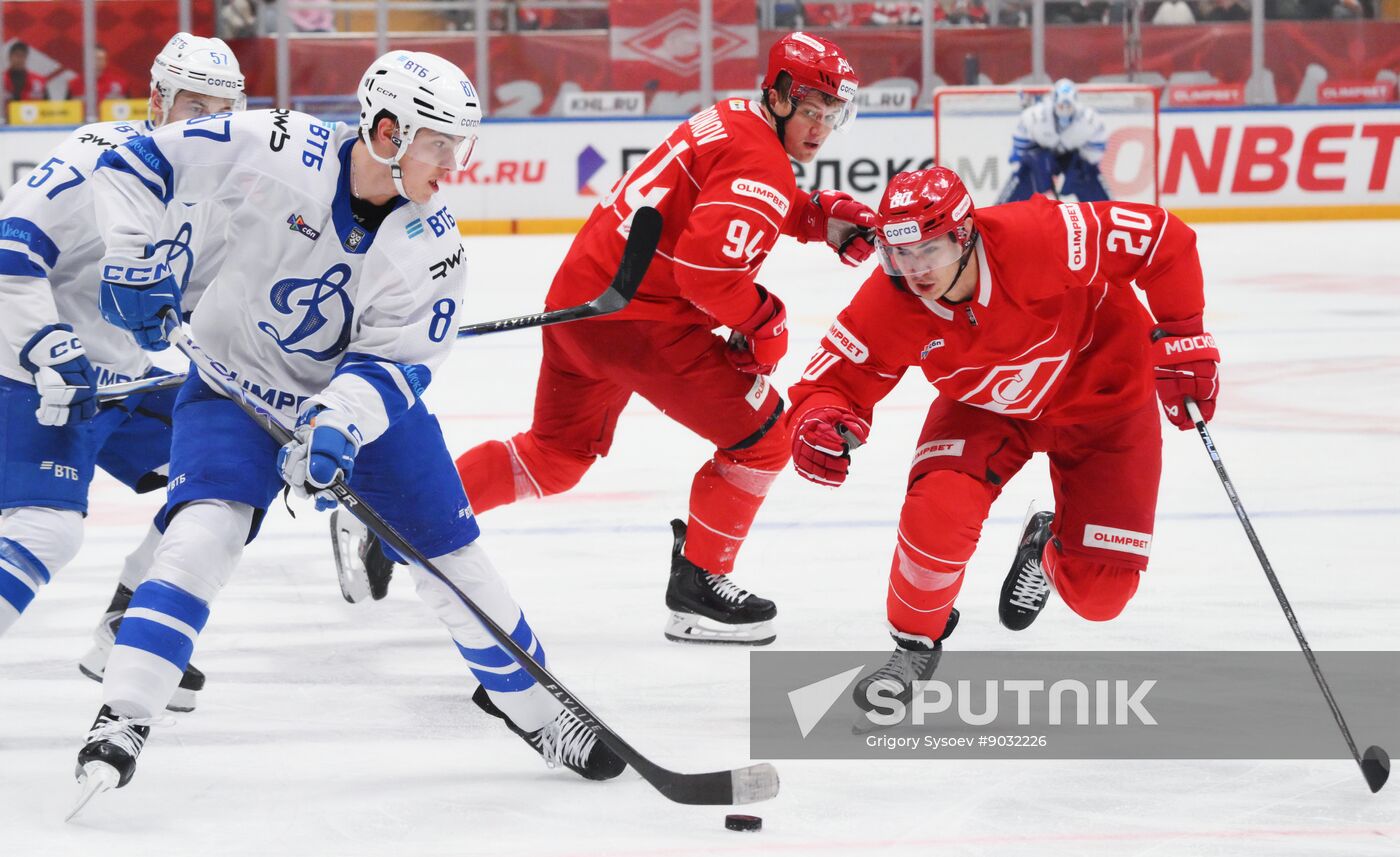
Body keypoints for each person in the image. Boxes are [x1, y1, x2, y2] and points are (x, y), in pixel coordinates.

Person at [70, 50, 625, 813]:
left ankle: (535, 711)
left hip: (355, 404)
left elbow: (396, 364)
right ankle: (125, 712)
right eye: (438, 142)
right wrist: (132, 260)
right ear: (388, 130)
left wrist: (337, 426)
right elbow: (136, 162)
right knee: (203, 532)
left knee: (452, 559)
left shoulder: (434, 244)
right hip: (233, 382)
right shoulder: (276, 144)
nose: (451, 165)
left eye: (458, 146)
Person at [332, 32, 875, 647]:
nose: (820, 127)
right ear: (778, 97)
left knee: (553, 457)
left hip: (581, 302)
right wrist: (767, 322)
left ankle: (387, 523)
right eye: (810, 110)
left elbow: (722, 200)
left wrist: (816, 218)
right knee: (764, 440)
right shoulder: (764, 162)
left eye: (832, 115)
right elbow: (705, 272)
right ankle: (700, 588)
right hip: (641, 324)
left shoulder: (733, 117)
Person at [786, 167, 1219, 704]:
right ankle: (914, 645)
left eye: (930, 252)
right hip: (985, 408)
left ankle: (1043, 548)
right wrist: (818, 421)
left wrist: (1183, 333)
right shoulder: (892, 299)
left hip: (1105, 397)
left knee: (1101, 595)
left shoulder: (1037, 237)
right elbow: (827, 383)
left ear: (964, 235)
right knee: (937, 510)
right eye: (899, 255)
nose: (915, 271)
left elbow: (1160, 238)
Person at [0, 33, 246, 714]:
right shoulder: (94, 158)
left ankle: (123, 625)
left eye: (222, 111)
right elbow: (12, 254)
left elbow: (209, 296)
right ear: (156, 101)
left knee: (226, 472)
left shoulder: (218, 191)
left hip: (118, 378)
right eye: (193, 107)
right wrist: (46, 345)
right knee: (47, 530)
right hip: (28, 369)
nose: (207, 126)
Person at [998, 79, 1110, 204]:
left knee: (1087, 173)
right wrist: (1033, 162)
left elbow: (1095, 155)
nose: (1065, 110)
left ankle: (1106, 216)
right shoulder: (1035, 117)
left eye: (1068, 106)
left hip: (1074, 160)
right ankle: (1000, 212)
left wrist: (1077, 167)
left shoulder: (1090, 120)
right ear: (1053, 103)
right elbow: (1020, 149)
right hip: (1041, 159)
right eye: (1061, 106)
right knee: (1028, 169)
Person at [66, 45, 133, 102]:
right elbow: (67, 113)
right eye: (95, 59)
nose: (99, 62)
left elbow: (133, 110)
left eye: (102, 59)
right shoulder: (73, 85)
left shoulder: (121, 83)